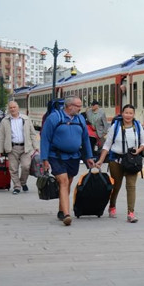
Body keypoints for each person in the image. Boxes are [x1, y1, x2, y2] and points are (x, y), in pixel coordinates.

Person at [40, 96, 95, 226]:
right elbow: (45, 138)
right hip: (56, 156)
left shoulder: (80, 119)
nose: (80, 108)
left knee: (68, 182)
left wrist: (89, 156)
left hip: (74, 156)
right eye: (78, 106)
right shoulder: (54, 118)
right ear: (69, 106)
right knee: (63, 181)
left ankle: (61, 210)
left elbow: (85, 139)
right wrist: (44, 159)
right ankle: (66, 214)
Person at [96, 104, 144, 223]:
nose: (128, 115)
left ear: (134, 114)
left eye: (131, 113)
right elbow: (107, 144)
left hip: (132, 161)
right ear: (122, 114)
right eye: (126, 113)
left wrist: (138, 151)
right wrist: (101, 160)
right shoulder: (116, 126)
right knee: (116, 186)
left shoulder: (138, 126)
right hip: (116, 161)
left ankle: (131, 213)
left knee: (131, 186)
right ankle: (112, 206)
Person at [0, 101, 39, 195]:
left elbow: (33, 133)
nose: (12, 109)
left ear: (18, 108)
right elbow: (2, 136)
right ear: (8, 109)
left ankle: (23, 182)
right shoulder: (5, 121)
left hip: (26, 147)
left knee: (26, 166)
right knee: (13, 169)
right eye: (10, 108)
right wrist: (0, 150)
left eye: (14, 107)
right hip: (12, 148)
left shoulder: (26, 119)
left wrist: (36, 147)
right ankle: (17, 186)